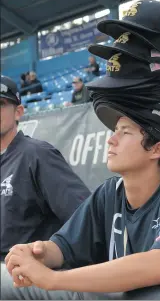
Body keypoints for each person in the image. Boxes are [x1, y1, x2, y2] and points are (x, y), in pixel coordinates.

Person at [2, 1, 160, 300]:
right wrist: (38, 252)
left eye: (124, 133)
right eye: (114, 131)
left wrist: (52, 280)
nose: (111, 140)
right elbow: (63, 247)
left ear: (156, 149)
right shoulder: (109, 194)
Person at [0, 75, 91, 261]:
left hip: (25, 277)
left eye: (0, 104)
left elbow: (85, 217)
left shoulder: (37, 155)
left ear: (18, 112)